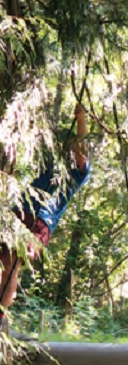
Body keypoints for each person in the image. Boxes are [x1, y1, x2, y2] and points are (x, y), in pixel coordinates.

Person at [1, 104, 90, 330]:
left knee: (11, 265)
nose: (66, 149)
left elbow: (82, 154)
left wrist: (81, 121)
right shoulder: (49, 165)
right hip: (20, 213)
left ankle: (0, 317)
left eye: (69, 146)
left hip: (40, 221)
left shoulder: (76, 174)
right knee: (5, 263)